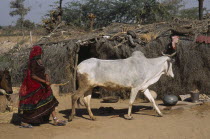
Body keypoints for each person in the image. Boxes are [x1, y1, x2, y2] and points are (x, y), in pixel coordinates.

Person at [19, 45, 66, 128]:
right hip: (35, 86)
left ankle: (55, 119)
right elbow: (33, 75)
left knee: (50, 100)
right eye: (39, 51)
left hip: (43, 85)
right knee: (33, 104)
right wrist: (44, 81)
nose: (40, 53)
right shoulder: (33, 62)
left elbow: (41, 71)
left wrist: (46, 75)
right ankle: (24, 121)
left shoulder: (39, 60)